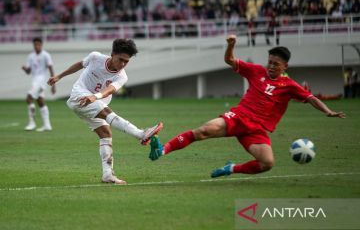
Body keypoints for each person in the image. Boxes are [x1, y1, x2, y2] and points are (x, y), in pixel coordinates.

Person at [148, 35, 345, 178]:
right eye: (270, 62)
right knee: (204, 130)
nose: (271, 66)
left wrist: (328, 111)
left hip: (257, 129)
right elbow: (229, 60)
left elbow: (310, 98)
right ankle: (161, 150)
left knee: (267, 164)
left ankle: (231, 168)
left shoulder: (290, 86)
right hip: (239, 116)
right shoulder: (256, 71)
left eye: (276, 64)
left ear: (285, 66)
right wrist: (231, 45)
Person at [47, 39, 163, 185]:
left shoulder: (122, 76)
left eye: (126, 62)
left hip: (94, 101)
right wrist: (59, 76)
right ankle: (141, 134)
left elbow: (110, 90)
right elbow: (80, 64)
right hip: (79, 96)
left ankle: (108, 175)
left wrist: (94, 97)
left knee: (105, 134)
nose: (122, 64)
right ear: (112, 54)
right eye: (120, 59)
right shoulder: (95, 57)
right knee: (106, 112)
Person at [22, 37, 55, 131]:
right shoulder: (30, 56)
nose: (36, 46)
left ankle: (32, 123)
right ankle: (47, 125)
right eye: (35, 44)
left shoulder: (46, 55)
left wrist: (54, 84)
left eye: (38, 44)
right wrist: (25, 69)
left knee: (29, 98)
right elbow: (28, 71)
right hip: (34, 80)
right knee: (40, 101)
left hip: (41, 81)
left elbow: (50, 68)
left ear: (41, 45)